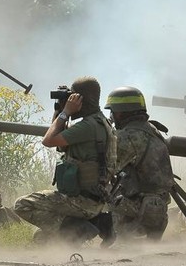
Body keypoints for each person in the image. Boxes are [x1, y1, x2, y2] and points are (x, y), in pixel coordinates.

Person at [14, 77, 117, 245]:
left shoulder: (88, 127)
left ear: (81, 99)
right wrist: (61, 110)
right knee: (42, 238)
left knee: (22, 205)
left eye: (73, 97)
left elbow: (48, 141)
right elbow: (60, 142)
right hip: (95, 200)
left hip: (81, 201)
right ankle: (98, 223)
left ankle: (79, 229)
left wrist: (66, 112)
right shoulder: (99, 122)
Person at [104, 86, 174, 241]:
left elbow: (107, 169)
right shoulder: (152, 130)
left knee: (98, 190)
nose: (112, 117)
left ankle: (112, 237)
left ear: (121, 112)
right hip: (159, 210)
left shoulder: (129, 136)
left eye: (113, 112)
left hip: (138, 210)